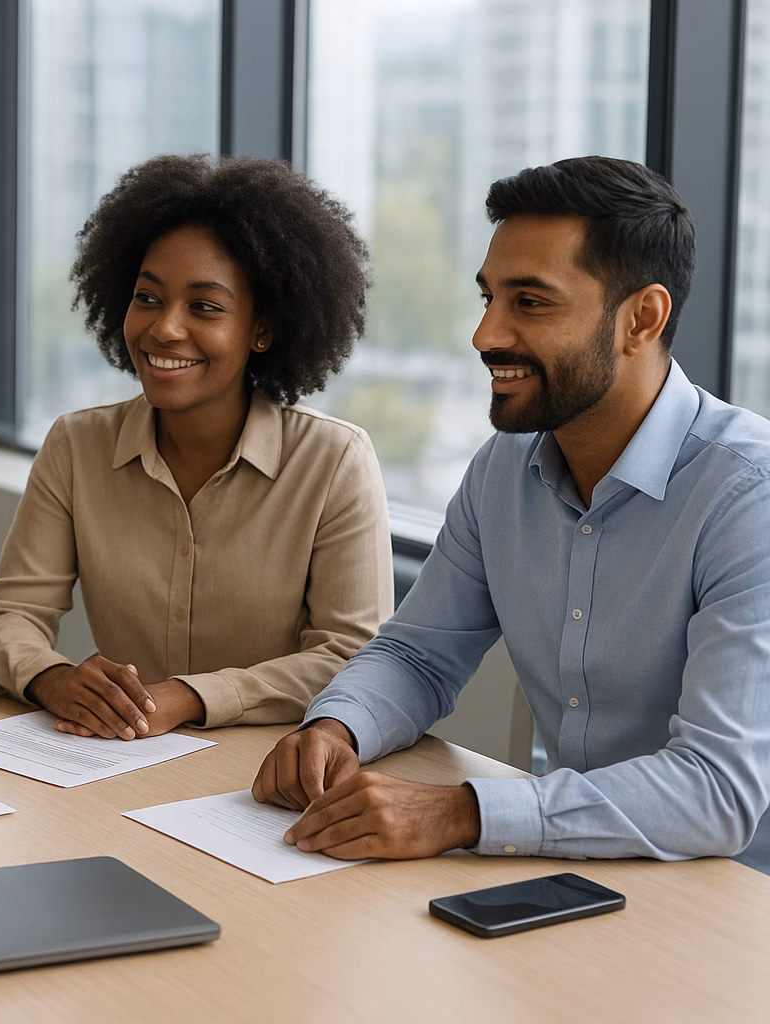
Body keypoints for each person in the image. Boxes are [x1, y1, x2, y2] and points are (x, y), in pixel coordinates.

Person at [254, 155, 770, 874]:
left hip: (734, 908)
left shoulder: (750, 497)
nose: (485, 335)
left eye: (529, 303)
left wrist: (461, 812)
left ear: (641, 319)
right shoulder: (503, 470)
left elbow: (717, 790)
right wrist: (338, 727)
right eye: (488, 297)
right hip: (582, 873)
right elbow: (418, 654)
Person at [0, 155, 393, 740]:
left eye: (205, 307)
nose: (165, 328)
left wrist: (192, 696)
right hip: (111, 763)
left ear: (263, 329)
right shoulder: (77, 446)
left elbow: (353, 659)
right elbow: (7, 620)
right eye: (148, 297)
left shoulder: (335, 462)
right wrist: (55, 678)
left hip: (262, 776)